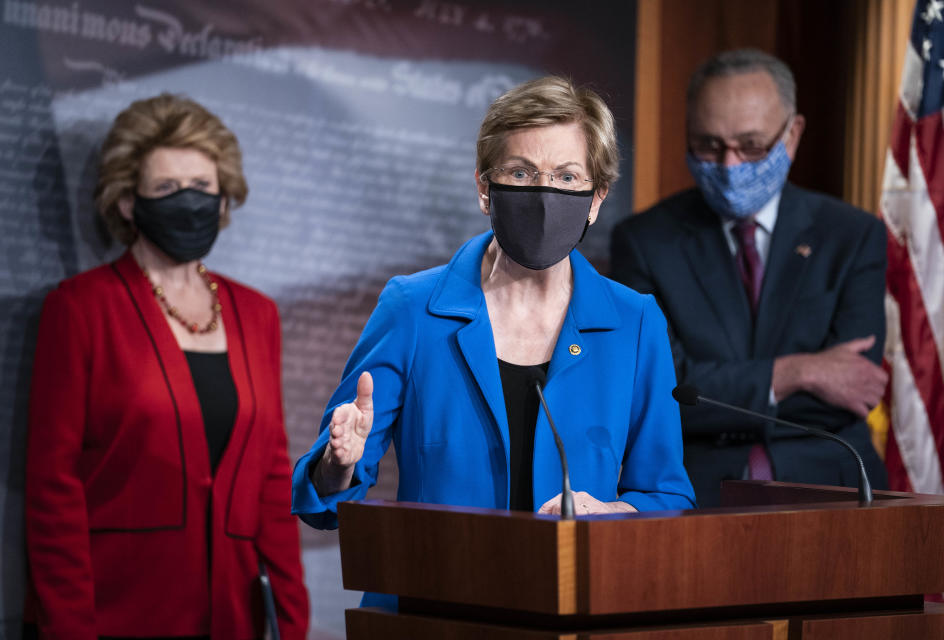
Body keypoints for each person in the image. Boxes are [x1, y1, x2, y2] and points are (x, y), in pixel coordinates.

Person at [292, 76, 695, 538]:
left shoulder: (635, 322)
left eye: (566, 177)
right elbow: (323, 503)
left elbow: (666, 496)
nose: (544, 195)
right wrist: (337, 463)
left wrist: (613, 515)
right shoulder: (412, 309)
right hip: (435, 597)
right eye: (520, 173)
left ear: (596, 199)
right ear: (485, 188)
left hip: (575, 598)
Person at [25, 94, 309, 639]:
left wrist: (293, 622)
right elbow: (52, 488)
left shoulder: (257, 314)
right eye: (166, 189)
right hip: (118, 613)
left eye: (202, 188)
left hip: (233, 617)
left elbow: (272, 479)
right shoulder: (80, 308)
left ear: (224, 199)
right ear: (128, 202)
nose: (189, 202)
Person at [611, 49, 889, 507]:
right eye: (709, 145)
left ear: (792, 134)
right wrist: (796, 372)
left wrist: (721, 393)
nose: (731, 165)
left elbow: (852, 393)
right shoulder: (644, 241)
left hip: (834, 489)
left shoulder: (853, 235)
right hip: (696, 494)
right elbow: (661, 395)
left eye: (752, 146)